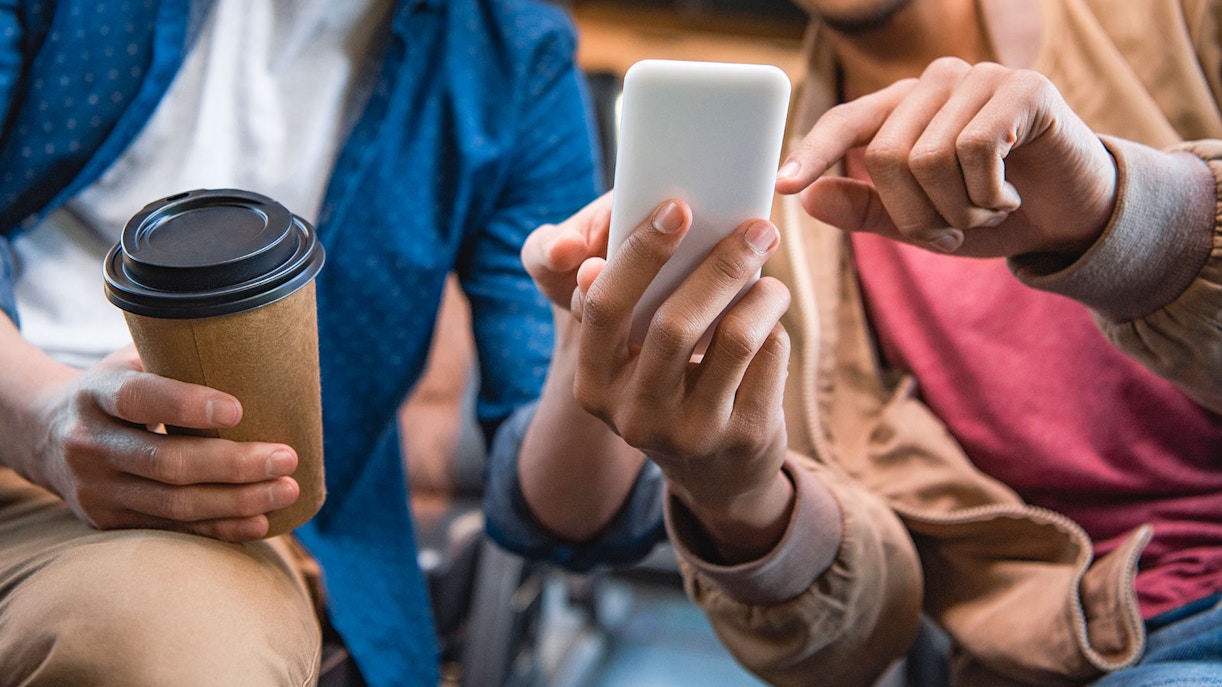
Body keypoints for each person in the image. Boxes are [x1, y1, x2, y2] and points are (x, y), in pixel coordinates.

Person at [487, 0, 1222, 685]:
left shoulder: (1181, 22)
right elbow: (863, 633)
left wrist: (1127, 221)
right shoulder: (768, 212)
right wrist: (740, 502)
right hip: (1060, 654)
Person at [0, 0, 600, 685]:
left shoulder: (512, 53)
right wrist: (39, 420)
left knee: (174, 649)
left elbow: (562, 503)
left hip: (250, 519)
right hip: (17, 419)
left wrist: (607, 349)